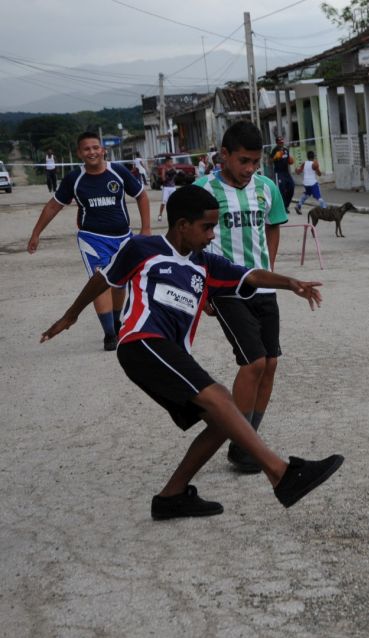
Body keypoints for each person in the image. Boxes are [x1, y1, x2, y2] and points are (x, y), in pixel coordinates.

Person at [39, 185, 343, 519]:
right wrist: (71, 314)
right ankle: (282, 474)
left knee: (222, 419)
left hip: (169, 351)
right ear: (182, 225)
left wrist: (290, 282)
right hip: (141, 342)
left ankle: (172, 496)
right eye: (207, 227)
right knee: (222, 399)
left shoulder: (205, 264)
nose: (212, 235)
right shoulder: (143, 248)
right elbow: (104, 278)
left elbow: (250, 275)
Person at [195, 121, 290, 474]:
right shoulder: (203, 189)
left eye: (255, 162)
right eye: (243, 161)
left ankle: (248, 439)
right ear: (224, 156)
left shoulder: (266, 188)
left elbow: (273, 226)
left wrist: (270, 271)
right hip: (226, 289)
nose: (250, 169)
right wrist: (201, 288)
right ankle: (242, 442)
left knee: (271, 363)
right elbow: (189, 242)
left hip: (262, 287)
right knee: (253, 363)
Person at [27, 131, 151, 351]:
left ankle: (116, 320)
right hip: (92, 239)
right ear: (79, 153)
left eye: (96, 147)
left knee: (119, 282)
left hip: (123, 237)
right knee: (99, 280)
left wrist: (146, 228)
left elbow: (141, 195)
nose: (92, 152)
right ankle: (109, 334)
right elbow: (54, 205)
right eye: (87, 149)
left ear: (103, 150)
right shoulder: (75, 179)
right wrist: (36, 233)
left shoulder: (118, 172)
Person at [270, 135, 295, 209]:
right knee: (282, 190)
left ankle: (286, 205)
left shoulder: (286, 150)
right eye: (280, 142)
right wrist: (275, 157)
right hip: (279, 173)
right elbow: (269, 161)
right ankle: (283, 207)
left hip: (286, 172)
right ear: (277, 143)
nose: (281, 143)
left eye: (282, 142)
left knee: (291, 187)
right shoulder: (274, 150)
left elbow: (288, 160)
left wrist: (290, 161)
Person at [157, 156, 177, 222]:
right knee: (164, 202)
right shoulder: (164, 169)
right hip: (166, 188)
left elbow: (176, 176)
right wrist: (168, 176)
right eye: (170, 162)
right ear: (166, 162)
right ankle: (160, 215)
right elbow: (163, 179)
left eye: (172, 161)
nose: (172, 163)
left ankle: (174, 215)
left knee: (174, 202)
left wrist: (175, 173)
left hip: (173, 187)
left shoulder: (173, 168)